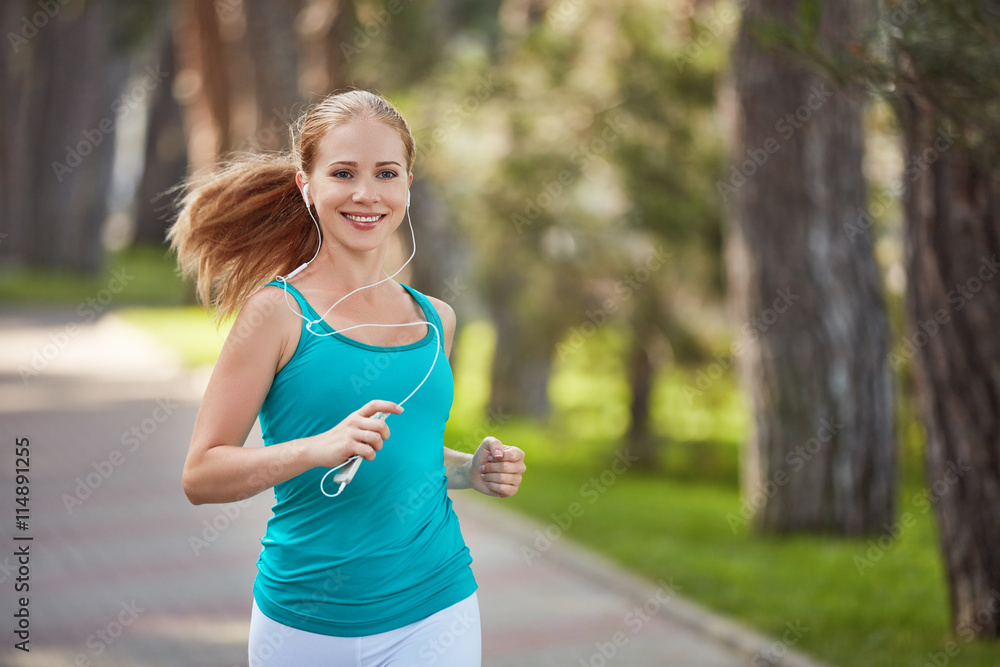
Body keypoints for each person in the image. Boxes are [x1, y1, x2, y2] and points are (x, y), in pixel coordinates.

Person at [168, 89, 526, 666]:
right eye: (343, 173)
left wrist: (470, 471)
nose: (366, 194)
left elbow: (405, 455)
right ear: (307, 184)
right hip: (305, 624)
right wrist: (315, 448)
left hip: (437, 610)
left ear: (408, 184)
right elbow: (201, 475)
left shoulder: (437, 320)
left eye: (386, 173)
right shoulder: (276, 314)